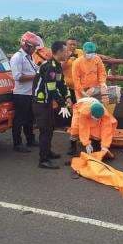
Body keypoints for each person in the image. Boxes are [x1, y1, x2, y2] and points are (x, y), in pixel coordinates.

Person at [32, 40, 72, 169]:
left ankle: (48, 152)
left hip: (47, 102)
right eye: (66, 51)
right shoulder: (50, 67)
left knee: (50, 128)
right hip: (40, 102)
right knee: (45, 130)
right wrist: (63, 104)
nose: (68, 53)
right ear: (59, 52)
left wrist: (67, 96)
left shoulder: (57, 65)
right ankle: (43, 160)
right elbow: (52, 88)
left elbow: (61, 84)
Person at [9, 32, 42, 153]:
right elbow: (17, 77)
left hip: (30, 93)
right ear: (26, 45)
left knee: (29, 118)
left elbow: (34, 70)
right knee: (19, 120)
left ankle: (30, 140)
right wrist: (36, 76)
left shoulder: (29, 57)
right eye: (33, 47)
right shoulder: (17, 57)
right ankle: (17, 144)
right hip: (21, 94)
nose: (34, 49)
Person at [62, 37, 83, 102]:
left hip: (79, 86)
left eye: (74, 44)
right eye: (70, 44)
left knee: (79, 105)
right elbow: (60, 67)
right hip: (67, 86)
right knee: (69, 106)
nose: (72, 46)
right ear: (66, 45)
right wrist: (67, 58)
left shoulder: (80, 52)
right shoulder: (62, 53)